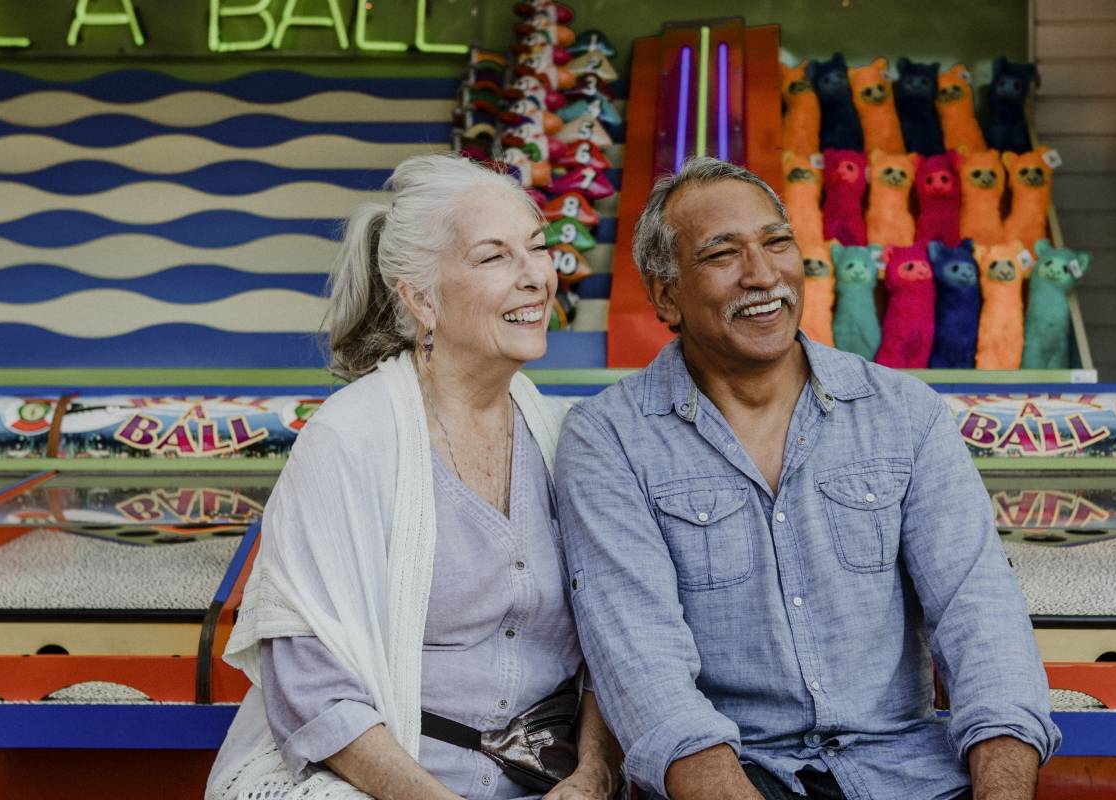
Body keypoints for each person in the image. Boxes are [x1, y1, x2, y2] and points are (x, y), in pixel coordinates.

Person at [555, 158, 1059, 800]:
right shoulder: (610, 437)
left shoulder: (905, 412)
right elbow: (641, 664)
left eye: (776, 242)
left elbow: (980, 615)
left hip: (908, 772)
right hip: (734, 772)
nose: (763, 275)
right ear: (664, 294)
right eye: (721, 254)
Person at [207, 154, 622, 800]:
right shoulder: (351, 438)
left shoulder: (567, 436)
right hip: (383, 785)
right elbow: (310, 682)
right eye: (494, 258)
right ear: (422, 299)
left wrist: (593, 774)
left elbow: (616, 638)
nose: (536, 277)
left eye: (537, 249)